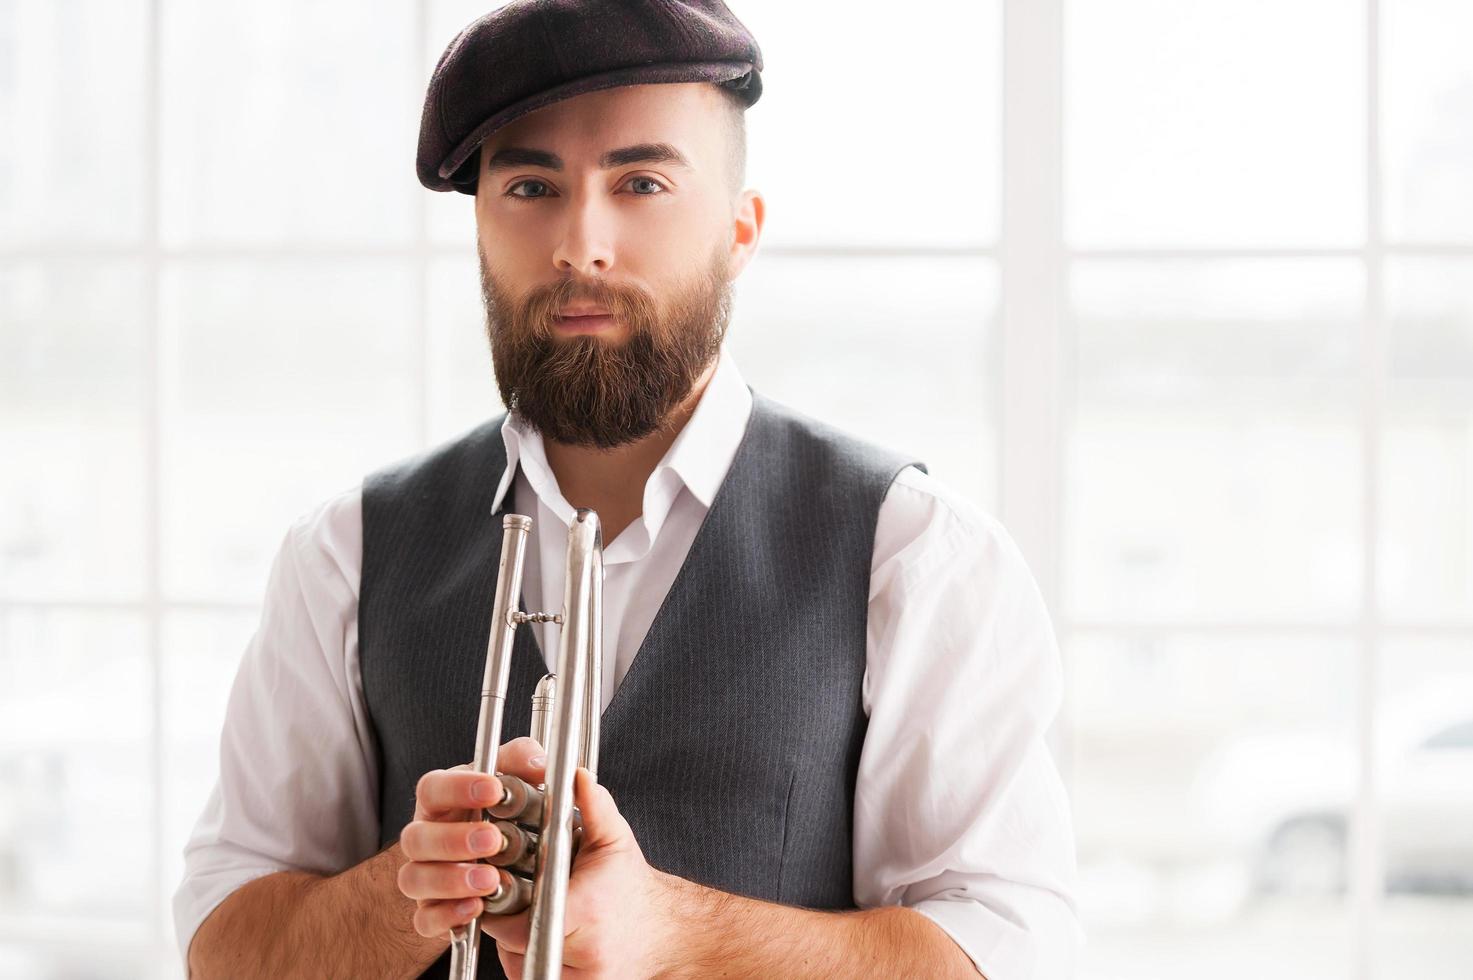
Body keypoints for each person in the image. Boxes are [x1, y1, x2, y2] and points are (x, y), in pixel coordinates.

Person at [174, 1, 1081, 977]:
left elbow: (1008, 955)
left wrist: (683, 927)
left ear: (741, 229)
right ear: (478, 224)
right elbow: (226, 939)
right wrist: (401, 896)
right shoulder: (344, 552)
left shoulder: (915, 553)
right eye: (530, 185)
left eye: (640, 181)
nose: (580, 245)